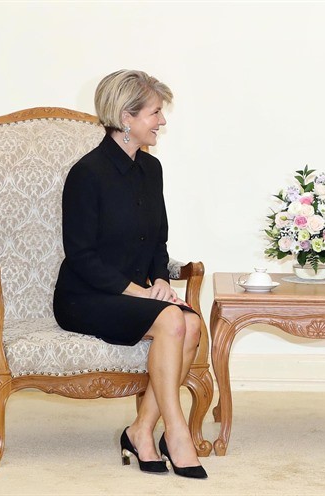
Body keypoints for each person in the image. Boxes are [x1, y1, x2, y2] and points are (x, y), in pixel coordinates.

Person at [53, 70, 207, 479]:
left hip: (137, 293)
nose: (161, 122)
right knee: (174, 318)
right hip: (86, 297)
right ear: (127, 117)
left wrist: (159, 281)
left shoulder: (150, 170)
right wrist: (140, 293)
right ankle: (175, 433)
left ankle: (140, 430)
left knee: (191, 324)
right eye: (155, 112)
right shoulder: (87, 174)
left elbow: (158, 243)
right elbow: (81, 256)